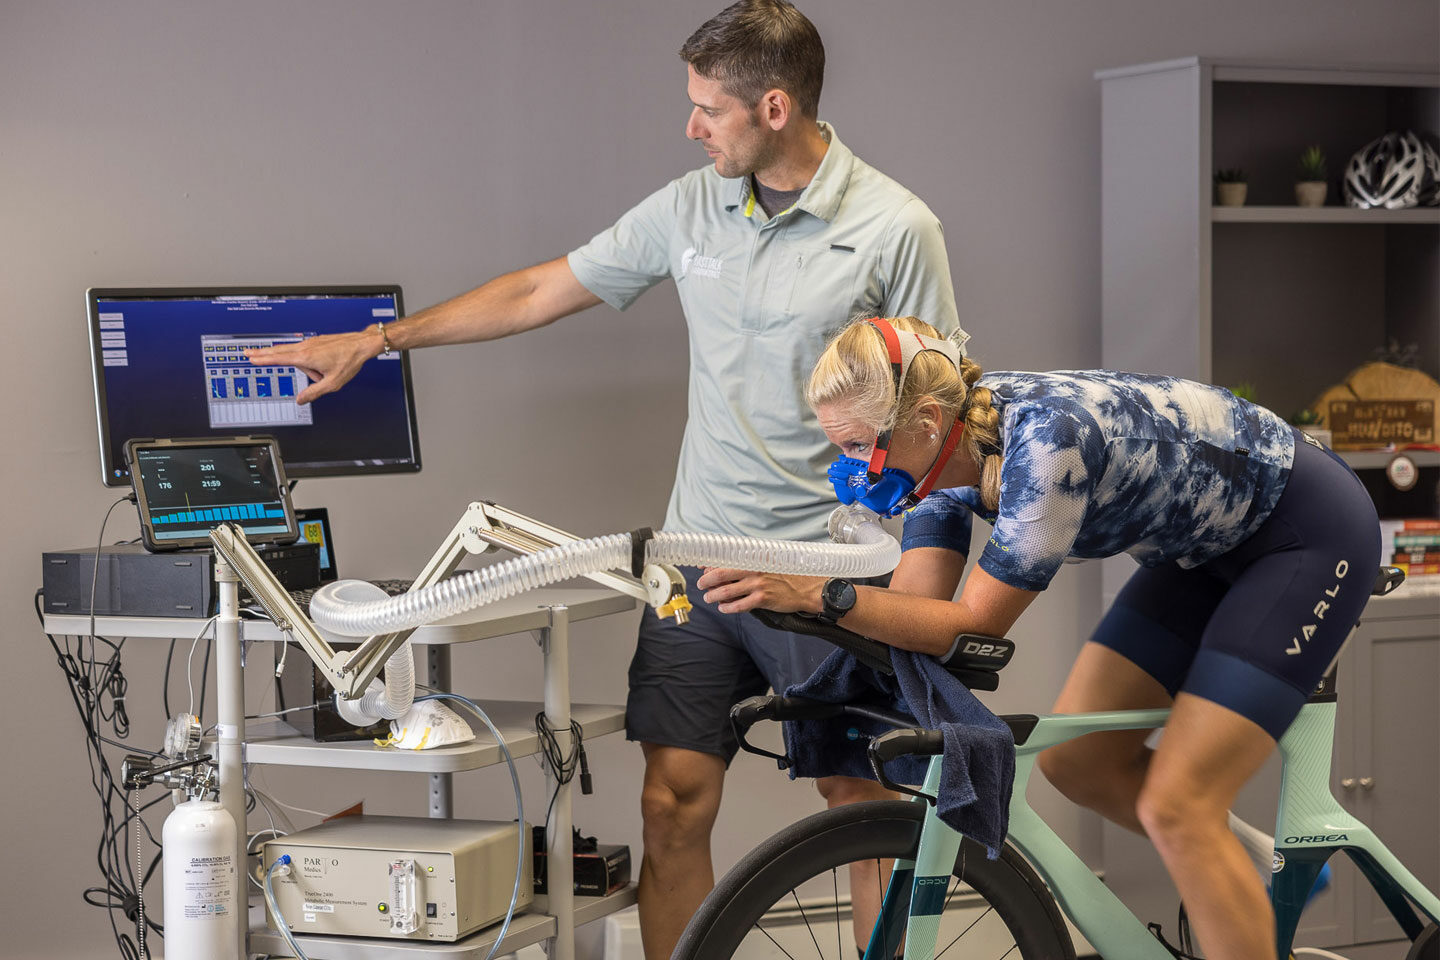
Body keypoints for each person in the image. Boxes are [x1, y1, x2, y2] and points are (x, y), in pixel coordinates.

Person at [245, 5, 963, 955]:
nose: (692, 126)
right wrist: (380, 342)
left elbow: (941, 415)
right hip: (698, 565)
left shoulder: (895, 227)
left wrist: (919, 585)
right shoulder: (691, 207)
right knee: (669, 803)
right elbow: (540, 290)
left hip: (827, 572)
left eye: (710, 109)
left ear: (776, 108)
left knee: (860, 807)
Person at [699, 316, 1380, 960]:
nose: (850, 469)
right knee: (1077, 762)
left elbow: (973, 626)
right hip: (1199, 550)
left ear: (926, 422)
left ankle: (1221, 855)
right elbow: (913, 612)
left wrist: (820, 595)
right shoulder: (938, 466)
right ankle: (1257, 863)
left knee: (1179, 806)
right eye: (837, 447)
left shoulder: (1046, 447)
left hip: (1302, 535)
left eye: (856, 446)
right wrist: (807, 599)